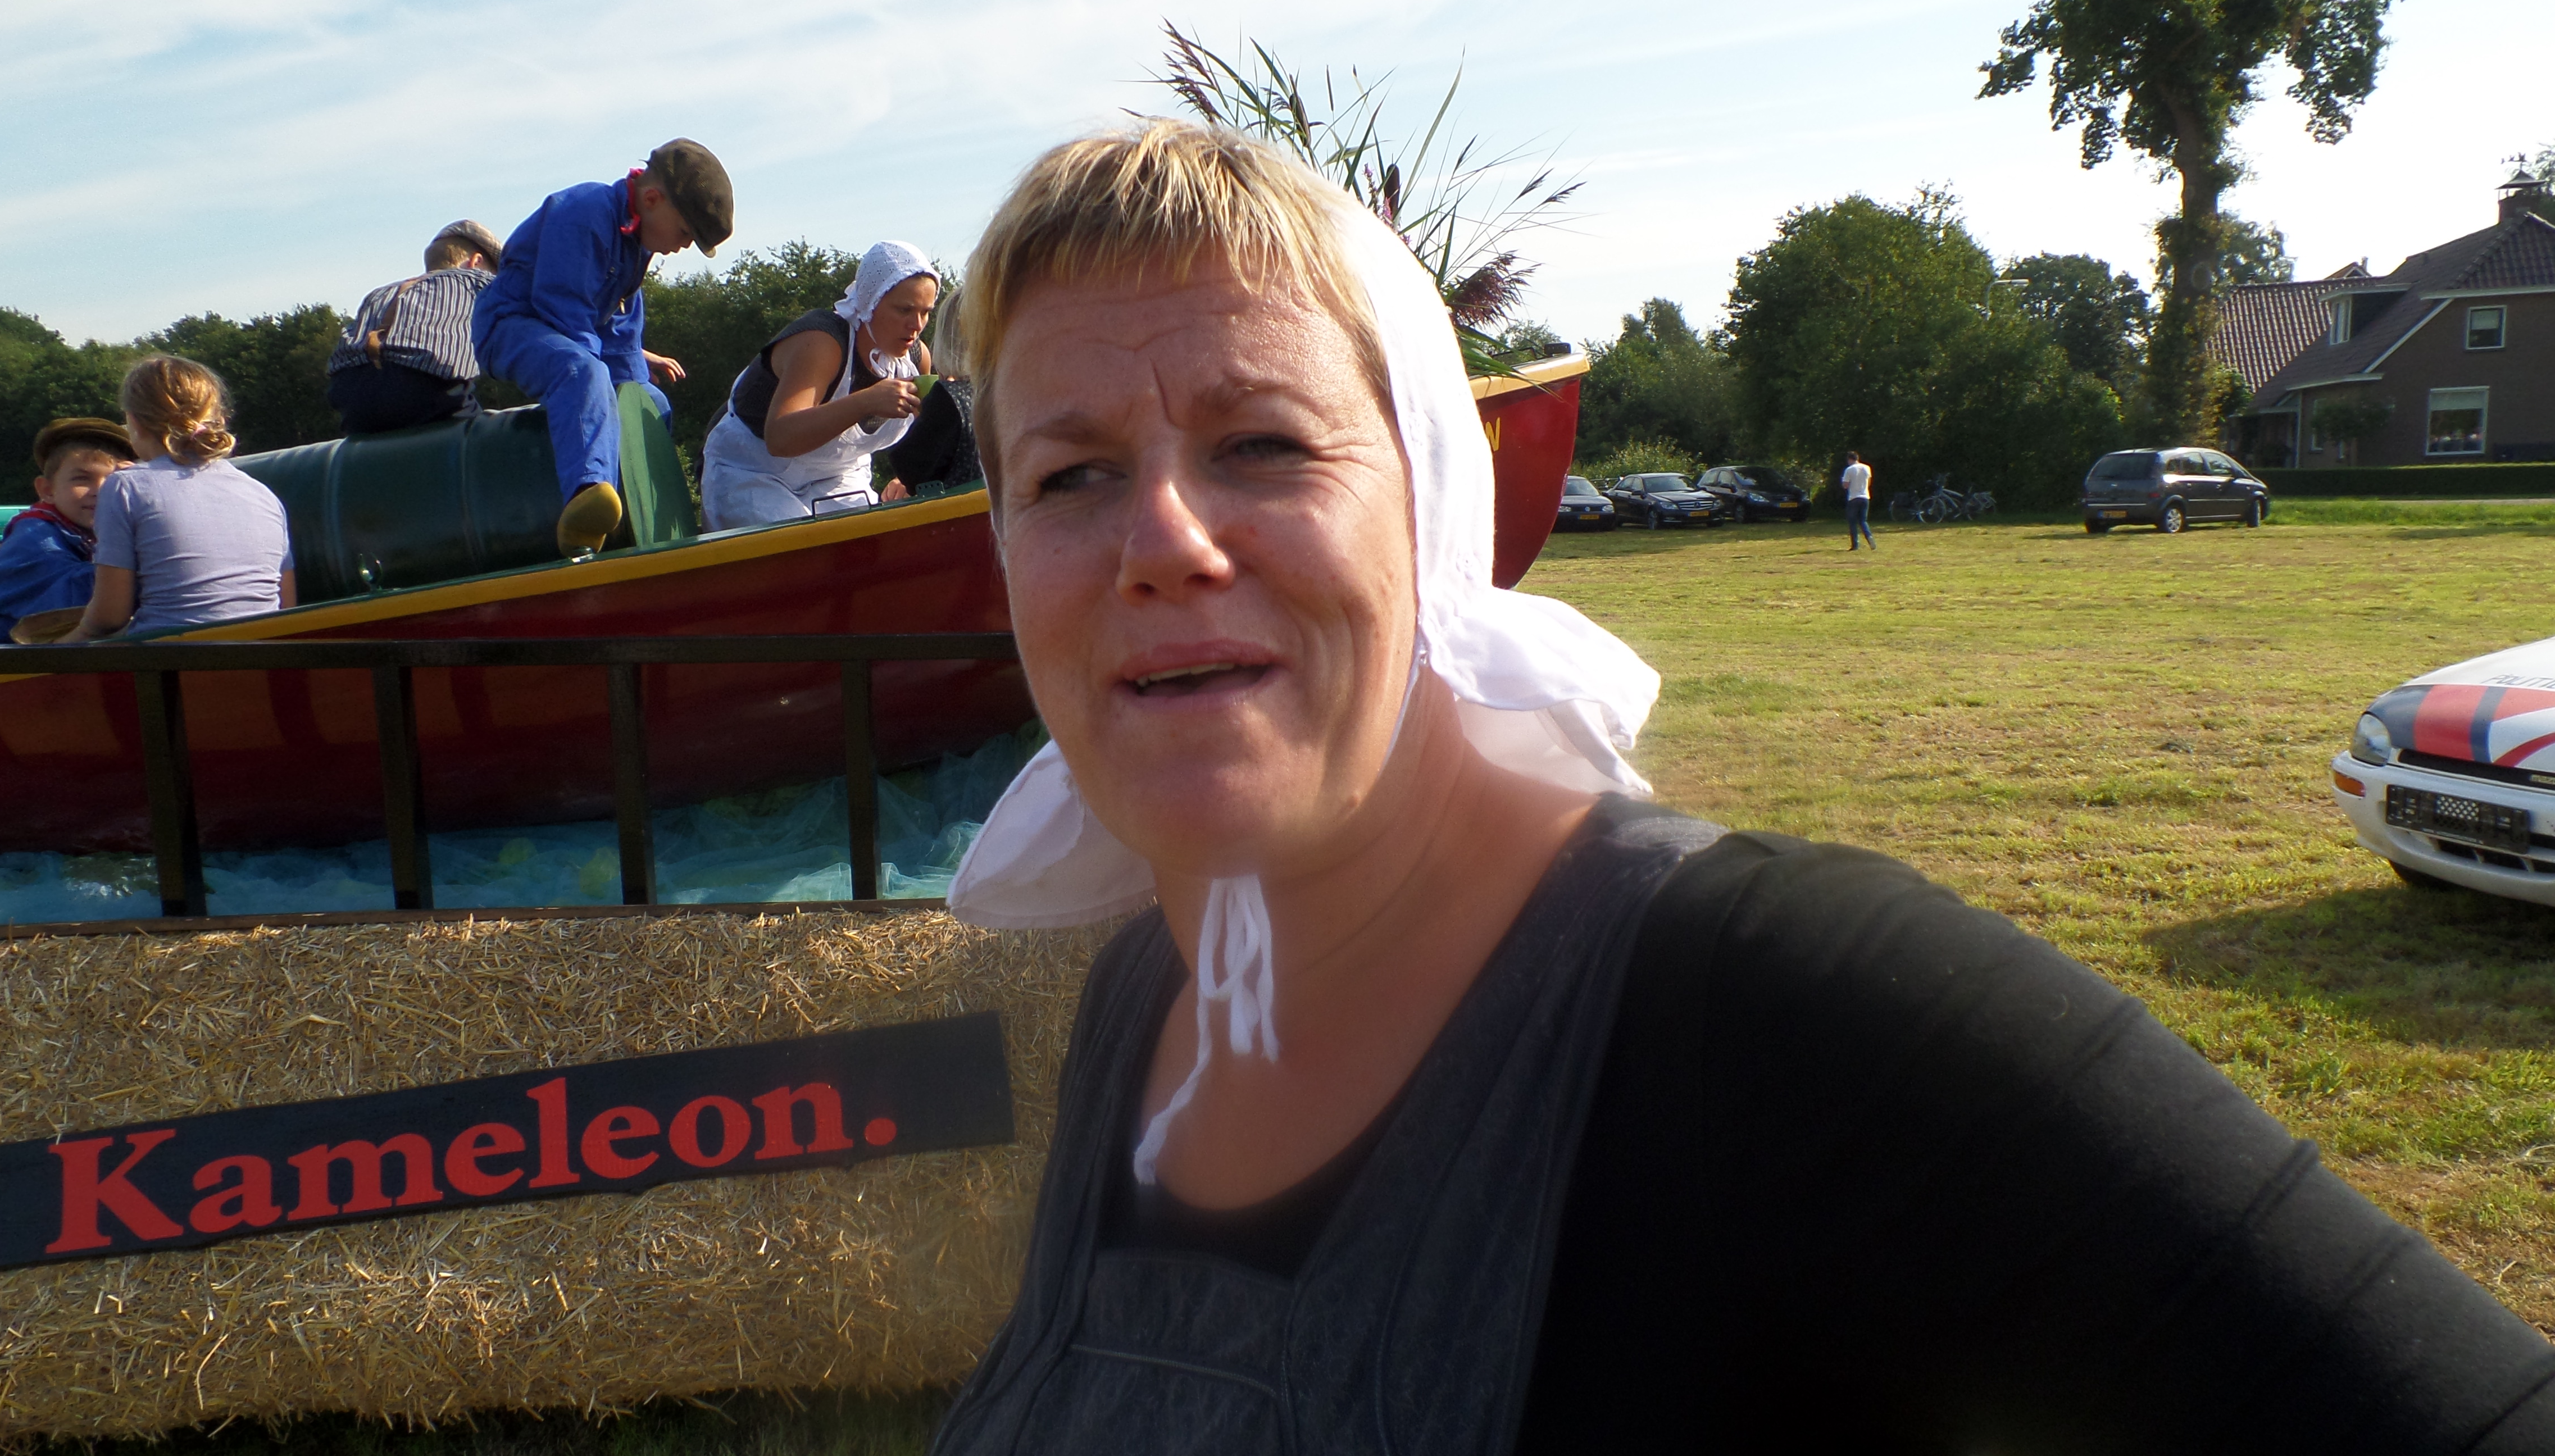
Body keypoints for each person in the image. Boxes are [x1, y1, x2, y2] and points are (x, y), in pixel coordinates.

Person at [926, 121, 2555, 1454]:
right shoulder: (1135, 1001)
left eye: (1264, 444)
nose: (1162, 541)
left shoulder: (1779, 1009)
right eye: (1070, 474)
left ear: (1428, 512)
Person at [473, 139, 733, 555]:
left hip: (574, 336)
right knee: (583, 371)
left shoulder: (637, 244)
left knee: (651, 401)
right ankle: (588, 498)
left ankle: (645, 516)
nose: (685, 246)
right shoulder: (585, 214)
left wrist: (632, 388)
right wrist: (600, 387)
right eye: (686, 233)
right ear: (652, 199)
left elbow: (622, 331)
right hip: (514, 325)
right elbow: (564, 309)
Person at [697, 240, 938, 530]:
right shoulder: (823, 342)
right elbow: (781, 438)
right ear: (870, 302)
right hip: (753, 473)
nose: (917, 325)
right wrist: (866, 401)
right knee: (796, 546)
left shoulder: (916, 359)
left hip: (839, 477)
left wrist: (907, 478)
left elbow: (925, 439)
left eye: (925, 312)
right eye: (904, 310)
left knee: (872, 542)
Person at [62, 357, 295, 641]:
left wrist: (60, 645)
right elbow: (286, 606)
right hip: (264, 655)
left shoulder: (125, 486)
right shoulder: (263, 494)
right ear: (218, 419)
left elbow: (109, 618)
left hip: (173, 660)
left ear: (134, 422)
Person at [325, 219, 503, 435]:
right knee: (486, 437)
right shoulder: (476, 280)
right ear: (476, 262)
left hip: (351, 394)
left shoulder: (379, 293)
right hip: (422, 383)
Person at [0, 418, 135, 644]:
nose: (102, 490)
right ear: (47, 490)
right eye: (82, 479)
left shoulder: (87, 534)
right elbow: (84, 598)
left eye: (116, 479)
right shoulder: (35, 539)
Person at [879, 291, 982, 495]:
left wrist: (923, 419)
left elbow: (911, 469)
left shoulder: (949, 397)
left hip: (958, 511)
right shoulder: (1010, 394)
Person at [1842, 448, 1874, 550]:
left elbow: (1846, 485)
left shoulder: (1849, 470)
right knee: (1863, 521)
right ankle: (1869, 537)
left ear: (1850, 459)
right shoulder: (1867, 468)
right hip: (1865, 497)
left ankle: (1855, 545)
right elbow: (1869, 483)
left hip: (1854, 498)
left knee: (1852, 522)